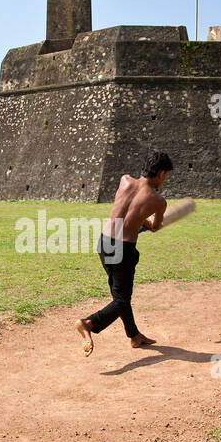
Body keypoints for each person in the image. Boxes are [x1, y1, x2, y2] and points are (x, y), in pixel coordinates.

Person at [73, 150, 172, 356]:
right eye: (167, 176)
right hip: (123, 250)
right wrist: (148, 224)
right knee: (121, 300)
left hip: (104, 241)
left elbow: (127, 211)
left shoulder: (124, 180)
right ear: (161, 173)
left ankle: (134, 336)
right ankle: (88, 323)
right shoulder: (158, 201)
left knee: (119, 296)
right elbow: (154, 226)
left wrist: (139, 222)